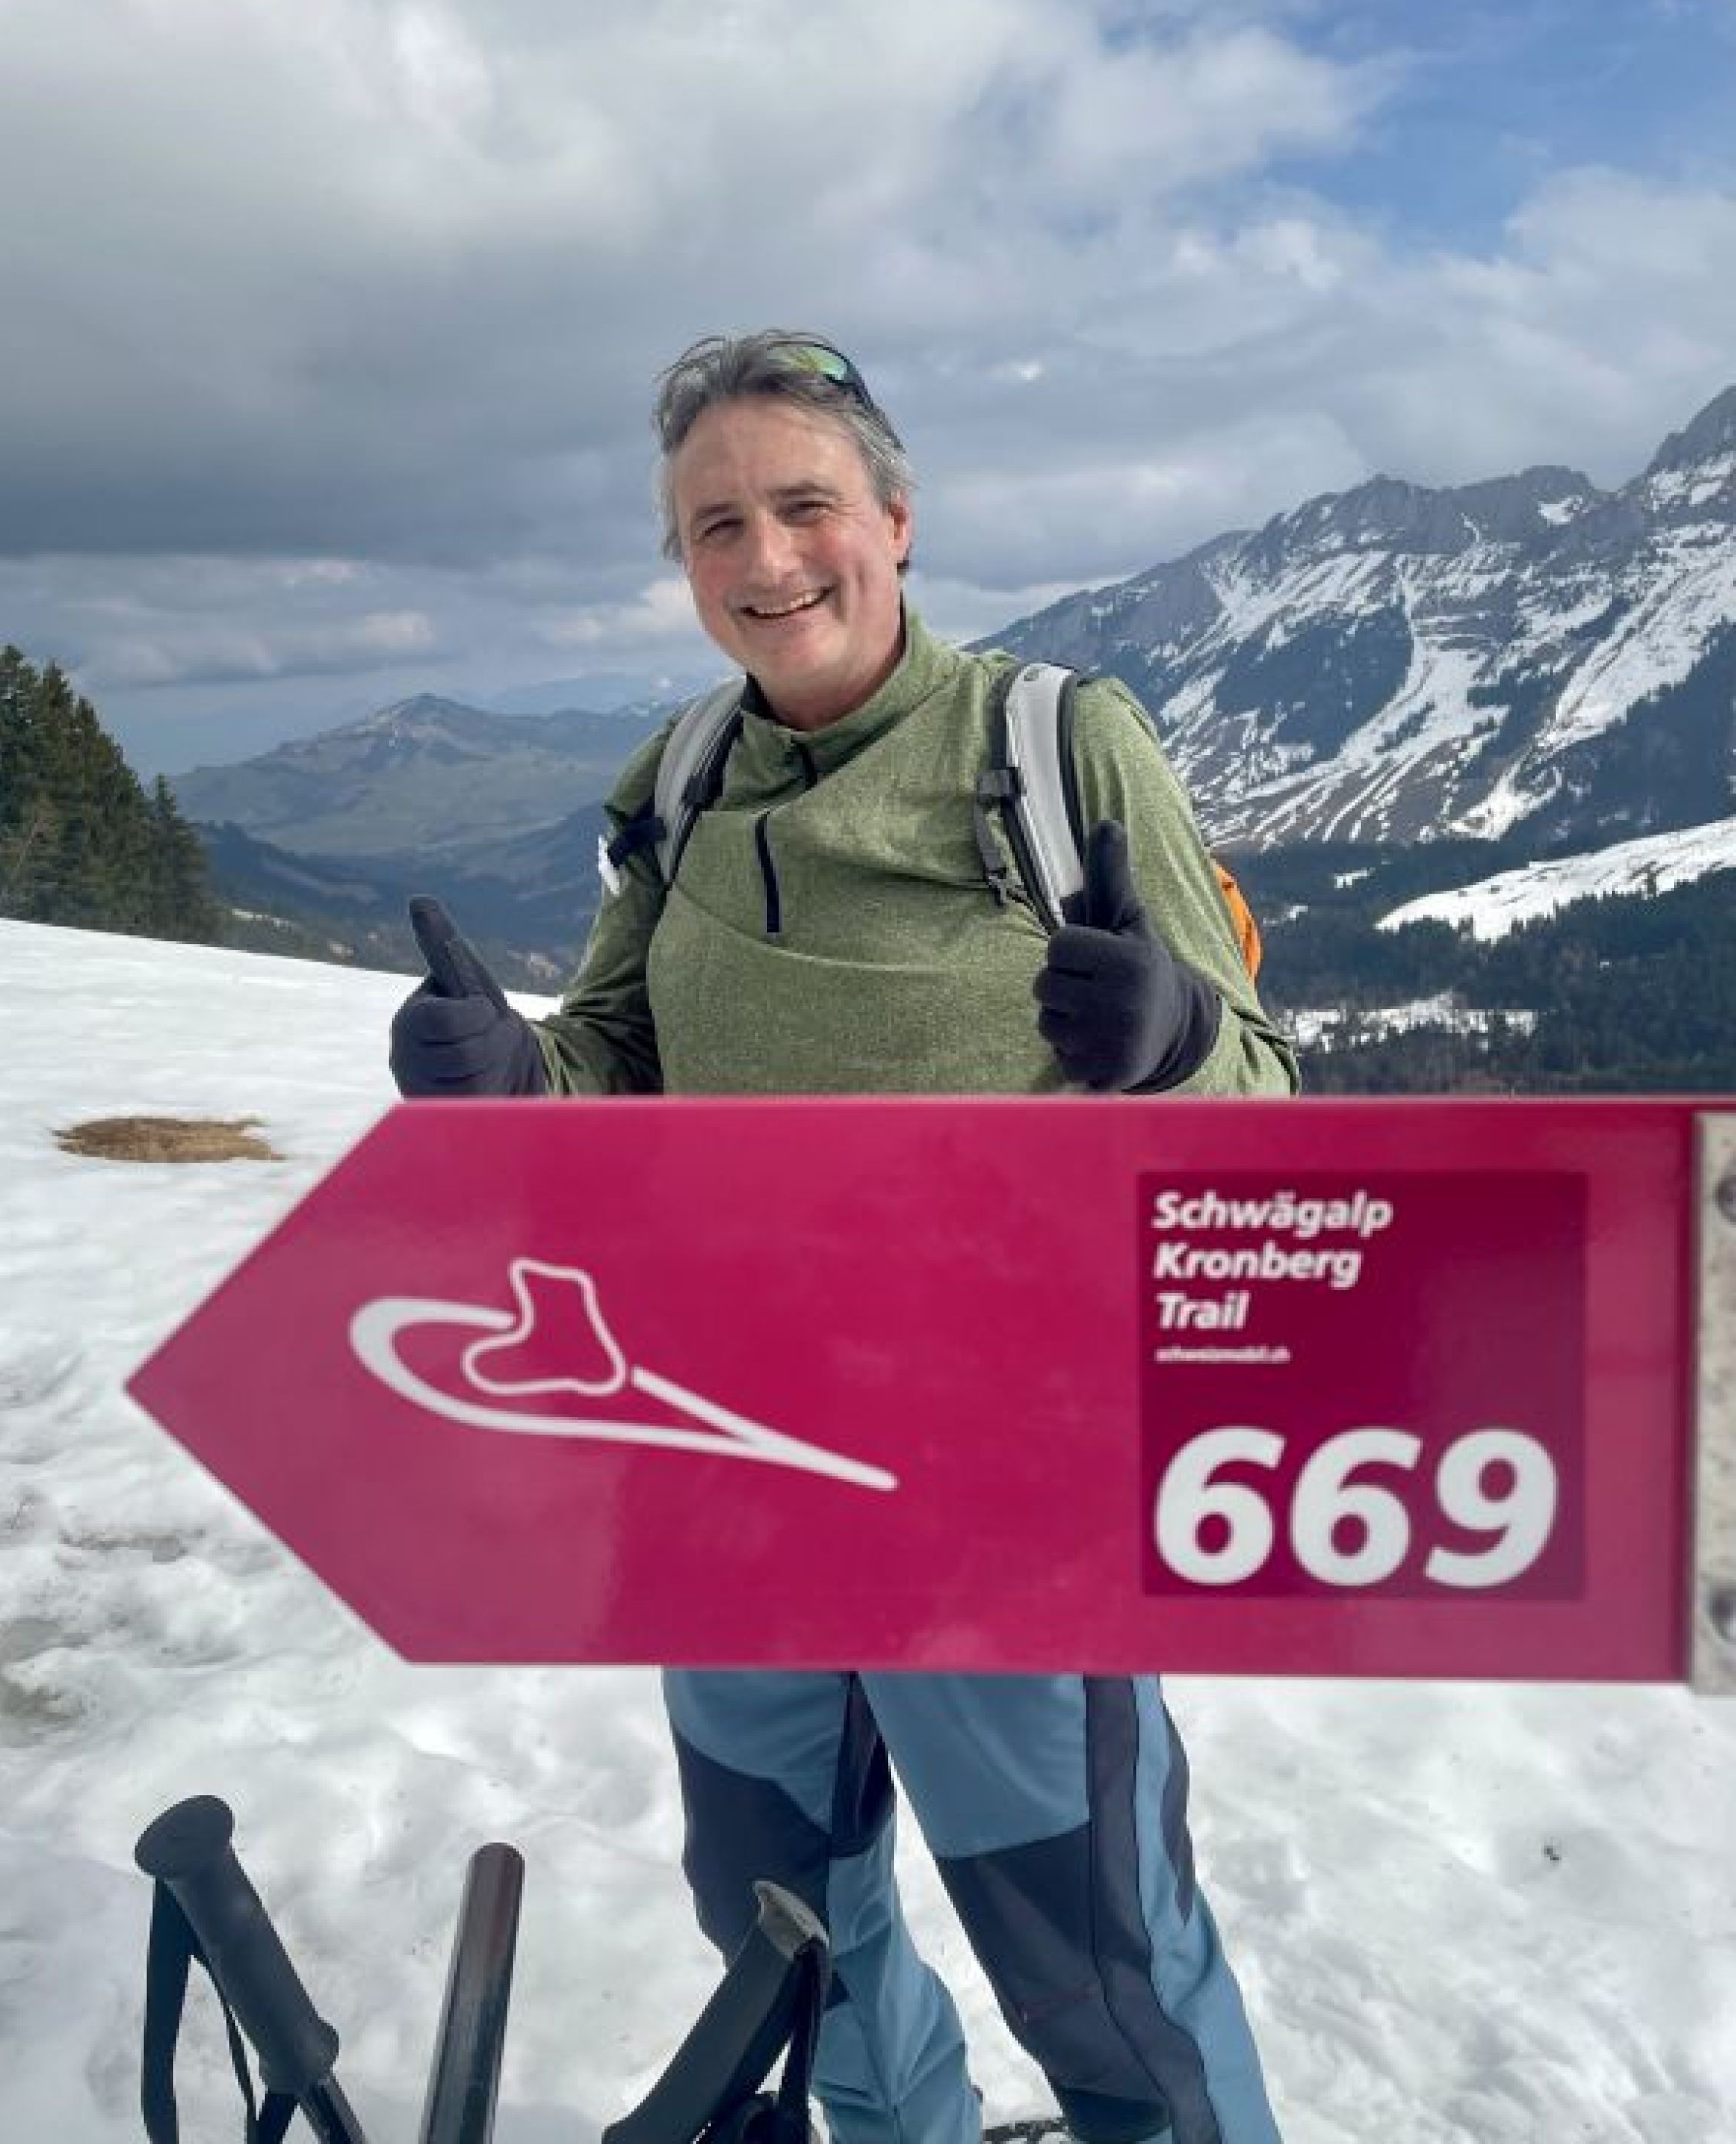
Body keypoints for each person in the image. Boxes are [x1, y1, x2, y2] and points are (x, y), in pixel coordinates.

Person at [390, 332, 1299, 2144]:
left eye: (805, 504)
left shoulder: (1053, 744)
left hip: (998, 1479)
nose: (767, 557)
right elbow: (619, 1060)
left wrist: (1172, 1039)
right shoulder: (681, 776)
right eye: (714, 524)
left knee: (1091, 1953)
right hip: (724, 1453)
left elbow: (1263, 1107)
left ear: (896, 516)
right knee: (784, 1930)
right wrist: (513, 1082)